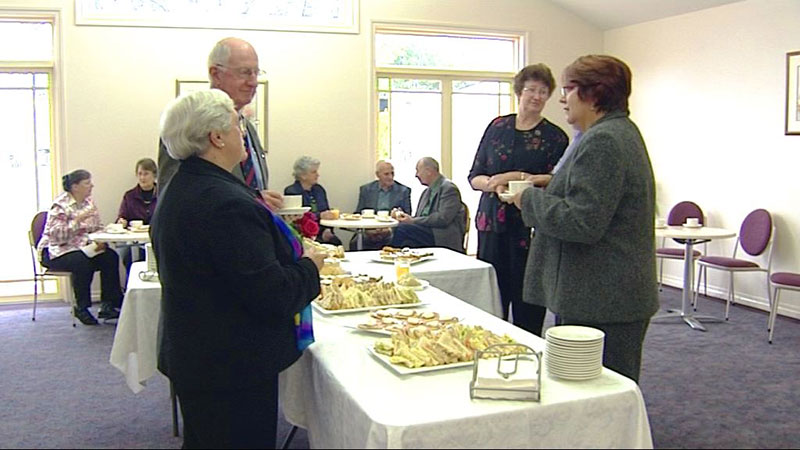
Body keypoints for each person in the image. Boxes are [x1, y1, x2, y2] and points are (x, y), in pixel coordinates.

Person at [152, 89, 324, 448]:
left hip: (200, 355)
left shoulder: (184, 185)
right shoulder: (225, 203)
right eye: (236, 125)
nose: (243, 132)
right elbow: (272, 294)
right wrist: (310, 265)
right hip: (229, 364)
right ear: (216, 137)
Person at [504, 55, 658, 382]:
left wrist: (527, 198)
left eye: (568, 89)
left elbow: (581, 222)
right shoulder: (615, 132)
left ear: (593, 94)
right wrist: (551, 185)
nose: (562, 98)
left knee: (598, 392)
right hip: (604, 293)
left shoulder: (603, 140)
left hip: (602, 297)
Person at [468, 63, 569, 336]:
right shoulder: (497, 127)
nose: (536, 96)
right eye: (531, 90)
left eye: (543, 91)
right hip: (491, 225)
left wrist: (520, 176)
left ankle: (530, 353)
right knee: (491, 300)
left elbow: (560, 180)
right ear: (519, 92)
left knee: (528, 302)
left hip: (530, 226)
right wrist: (492, 184)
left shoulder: (555, 137)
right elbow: (474, 175)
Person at [157, 37, 283, 211]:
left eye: (256, 72)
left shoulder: (249, 129)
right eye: (245, 72)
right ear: (216, 74)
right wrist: (253, 200)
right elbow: (173, 198)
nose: (253, 82)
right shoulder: (187, 126)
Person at [38, 169, 123, 325]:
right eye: (87, 183)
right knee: (82, 261)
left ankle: (108, 304)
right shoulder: (60, 205)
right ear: (75, 186)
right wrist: (77, 220)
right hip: (56, 251)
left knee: (110, 256)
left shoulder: (89, 202)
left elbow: (97, 226)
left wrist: (100, 239)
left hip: (83, 248)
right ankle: (81, 307)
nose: (92, 186)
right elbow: (56, 235)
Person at [391, 157, 465, 253]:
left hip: (441, 234)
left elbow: (443, 219)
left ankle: (392, 259)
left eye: (418, 171)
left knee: (402, 229)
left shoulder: (449, 189)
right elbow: (419, 218)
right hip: (426, 232)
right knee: (405, 239)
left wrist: (413, 221)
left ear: (429, 171)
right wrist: (404, 217)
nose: (416, 175)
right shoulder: (426, 192)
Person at [351, 159, 412, 250]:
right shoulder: (366, 190)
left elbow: (406, 216)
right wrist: (368, 230)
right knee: (355, 243)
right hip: (369, 229)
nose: (390, 177)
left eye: (392, 173)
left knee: (398, 241)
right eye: (386, 174)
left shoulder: (403, 191)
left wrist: (389, 229)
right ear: (377, 175)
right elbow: (358, 213)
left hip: (392, 230)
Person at [115, 158, 158, 281]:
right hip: (132, 239)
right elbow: (121, 217)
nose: (142, 178)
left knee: (150, 254)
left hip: (154, 236)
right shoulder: (129, 196)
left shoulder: (162, 193)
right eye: (140, 174)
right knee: (125, 253)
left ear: (154, 175)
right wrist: (121, 221)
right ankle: (132, 285)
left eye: (146, 174)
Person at [284, 156, 342, 246]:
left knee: (336, 243)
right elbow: (298, 217)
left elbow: (326, 210)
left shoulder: (319, 190)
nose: (317, 175)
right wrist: (320, 216)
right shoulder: (292, 191)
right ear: (303, 175)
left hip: (322, 231)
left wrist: (327, 229)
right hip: (303, 234)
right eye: (314, 172)